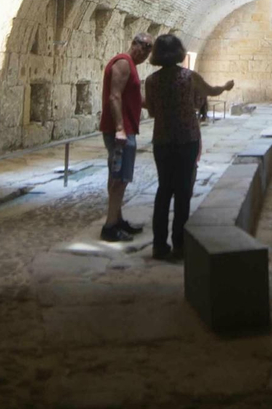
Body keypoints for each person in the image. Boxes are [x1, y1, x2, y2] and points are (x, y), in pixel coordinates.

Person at [142, 34, 233, 261]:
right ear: (180, 53)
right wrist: (225, 87)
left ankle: (159, 245)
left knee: (164, 191)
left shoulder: (152, 81)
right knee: (183, 192)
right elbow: (210, 91)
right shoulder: (189, 77)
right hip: (187, 139)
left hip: (162, 141)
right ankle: (179, 244)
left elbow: (152, 111)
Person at [98, 32, 152, 243]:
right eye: (144, 46)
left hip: (126, 129)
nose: (146, 52)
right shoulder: (123, 63)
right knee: (120, 178)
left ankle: (117, 219)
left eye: (150, 49)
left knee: (116, 175)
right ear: (134, 43)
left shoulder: (131, 66)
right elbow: (114, 95)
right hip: (120, 131)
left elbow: (135, 97)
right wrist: (120, 128)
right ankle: (110, 227)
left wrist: (156, 105)